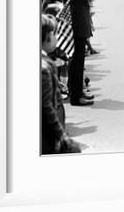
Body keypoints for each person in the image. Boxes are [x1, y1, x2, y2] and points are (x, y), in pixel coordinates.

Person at [59, 0, 101, 106]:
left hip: (79, 22)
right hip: (76, 23)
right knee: (76, 62)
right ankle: (76, 97)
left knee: (78, 61)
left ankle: (78, 91)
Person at [41, 14, 81, 154]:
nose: (56, 38)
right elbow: (47, 109)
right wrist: (63, 137)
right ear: (45, 38)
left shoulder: (45, 62)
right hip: (48, 137)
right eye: (53, 35)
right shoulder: (44, 69)